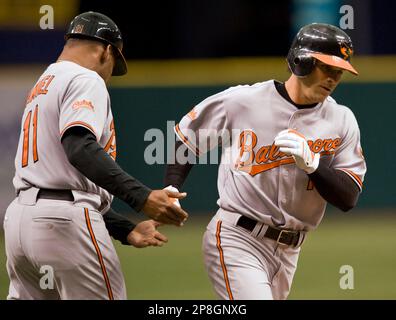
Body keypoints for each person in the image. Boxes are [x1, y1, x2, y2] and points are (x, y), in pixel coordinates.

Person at [164, 23, 367, 300]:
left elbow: (349, 197)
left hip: (290, 251)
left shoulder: (342, 119)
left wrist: (313, 165)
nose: (334, 78)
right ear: (301, 61)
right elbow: (188, 137)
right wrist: (172, 189)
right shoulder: (245, 101)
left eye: (339, 72)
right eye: (328, 68)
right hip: (238, 236)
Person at [3, 11, 188, 300]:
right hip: (63, 226)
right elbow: (79, 148)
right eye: (114, 63)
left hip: (19, 224)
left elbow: (60, 178)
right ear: (106, 50)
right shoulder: (85, 78)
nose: (110, 73)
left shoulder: (44, 82)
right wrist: (142, 197)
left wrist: (124, 229)